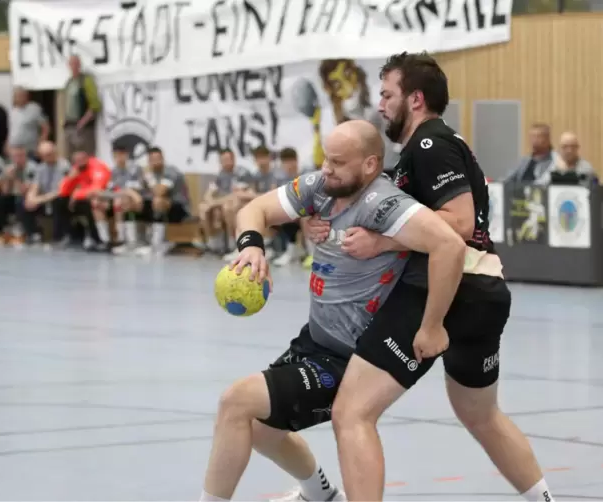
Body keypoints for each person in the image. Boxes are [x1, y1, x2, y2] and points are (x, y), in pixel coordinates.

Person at [304, 52, 554, 502]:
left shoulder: (429, 145)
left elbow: (455, 228)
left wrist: (382, 246)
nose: (380, 104)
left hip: (444, 289)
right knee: (481, 415)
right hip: (485, 294)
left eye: (387, 94)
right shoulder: (427, 149)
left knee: (352, 413)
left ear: (415, 99)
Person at [198, 119, 466, 502]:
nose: (327, 169)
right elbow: (255, 209)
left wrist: (432, 326)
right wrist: (251, 246)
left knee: (235, 403)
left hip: (347, 359)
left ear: (370, 165)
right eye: (326, 159)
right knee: (258, 428)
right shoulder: (319, 189)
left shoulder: (383, 203)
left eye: (338, 163)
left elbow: (450, 246)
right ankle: (320, 494)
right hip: (314, 339)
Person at [134, 146, 191, 256]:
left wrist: (149, 178)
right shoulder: (148, 173)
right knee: (134, 202)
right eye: (152, 159)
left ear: (162, 158)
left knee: (158, 201)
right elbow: (137, 190)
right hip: (159, 209)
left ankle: (157, 244)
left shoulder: (171, 171)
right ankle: (136, 241)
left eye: (157, 158)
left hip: (179, 208)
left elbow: (160, 191)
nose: (155, 162)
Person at [91, 141, 146, 253]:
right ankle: (105, 241)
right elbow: (109, 190)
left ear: (126, 155)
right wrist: (104, 197)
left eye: (121, 154)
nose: (119, 158)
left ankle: (121, 240)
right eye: (116, 155)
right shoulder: (113, 171)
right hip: (118, 198)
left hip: (135, 201)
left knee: (120, 201)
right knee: (96, 202)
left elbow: (137, 189)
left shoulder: (136, 169)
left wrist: (121, 193)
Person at [198, 148, 254, 255]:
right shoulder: (220, 175)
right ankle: (212, 242)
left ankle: (235, 244)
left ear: (234, 159)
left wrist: (214, 202)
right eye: (223, 160)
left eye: (228, 159)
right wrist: (209, 201)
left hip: (240, 203)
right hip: (222, 202)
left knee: (228, 207)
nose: (226, 163)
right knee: (203, 208)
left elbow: (237, 195)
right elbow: (209, 192)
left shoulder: (242, 173)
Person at [58, 145, 112, 250]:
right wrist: (70, 178)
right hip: (84, 199)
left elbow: (97, 188)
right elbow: (63, 191)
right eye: (77, 160)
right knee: (61, 202)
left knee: (91, 204)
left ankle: (101, 240)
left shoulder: (97, 166)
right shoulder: (75, 170)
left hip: (104, 197)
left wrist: (76, 194)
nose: (80, 162)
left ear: (87, 158)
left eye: (82, 159)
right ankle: (72, 237)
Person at [20, 141, 70, 246]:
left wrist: (39, 199)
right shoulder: (41, 168)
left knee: (59, 201)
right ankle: (33, 234)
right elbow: (35, 186)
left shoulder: (64, 166)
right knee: (22, 202)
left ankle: (59, 237)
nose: (48, 157)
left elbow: (60, 190)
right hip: (44, 199)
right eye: (45, 155)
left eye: (50, 154)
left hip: (58, 198)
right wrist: (30, 198)